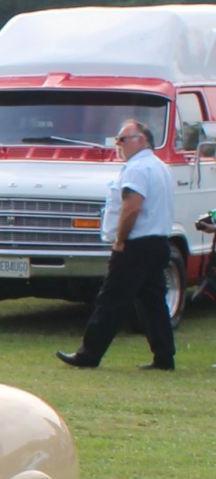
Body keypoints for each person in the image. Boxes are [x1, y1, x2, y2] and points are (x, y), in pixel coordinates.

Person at [58, 119, 176, 370]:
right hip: (158, 243)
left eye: (123, 139)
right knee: (153, 302)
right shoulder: (160, 166)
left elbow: (132, 206)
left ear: (142, 140)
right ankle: (164, 356)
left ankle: (88, 354)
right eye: (117, 140)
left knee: (111, 299)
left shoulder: (136, 169)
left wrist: (121, 239)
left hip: (136, 246)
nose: (118, 145)